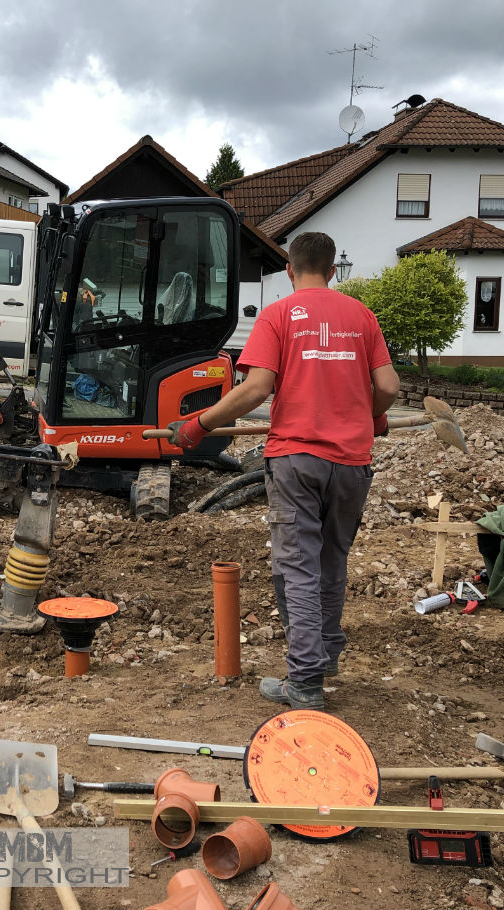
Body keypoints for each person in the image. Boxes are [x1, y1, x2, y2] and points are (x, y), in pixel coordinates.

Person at [168, 232, 400, 711]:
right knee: (332, 561)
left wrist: (198, 425)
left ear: (290, 271)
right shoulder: (362, 316)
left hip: (297, 461)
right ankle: (325, 655)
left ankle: (306, 682)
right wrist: (373, 415)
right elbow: (388, 386)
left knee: (298, 568)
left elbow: (256, 390)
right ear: (332, 271)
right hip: (352, 464)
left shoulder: (277, 315)